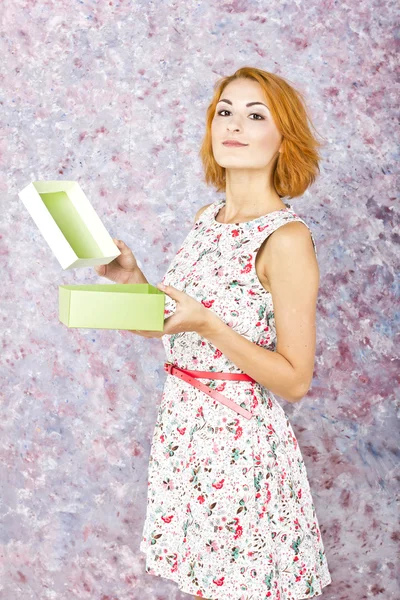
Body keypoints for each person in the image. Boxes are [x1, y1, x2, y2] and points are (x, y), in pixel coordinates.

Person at [96, 66, 332, 599]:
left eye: (255, 116)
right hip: (186, 440)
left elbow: (295, 382)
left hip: (239, 447)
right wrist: (133, 281)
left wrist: (209, 322)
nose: (235, 125)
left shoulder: (286, 238)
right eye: (225, 111)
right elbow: (170, 329)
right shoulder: (209, 219)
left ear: (283, 138)